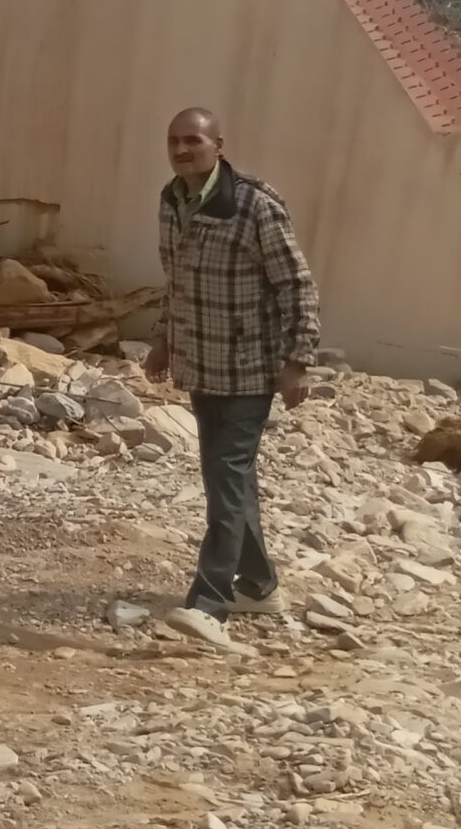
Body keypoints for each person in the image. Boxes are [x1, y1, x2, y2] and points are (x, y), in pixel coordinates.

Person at [144, 106, 319, 622]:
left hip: (249, 370)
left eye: (192, 140)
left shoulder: (252, 206)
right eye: (173, 141)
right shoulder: (171, 200)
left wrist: (298, 360)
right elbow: (176, 281)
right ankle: (260, 587)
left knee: (226, 478)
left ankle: (210, 601)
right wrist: (164, 340)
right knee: (227, 482)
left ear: (218, 144)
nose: (180, 150)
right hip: (202, 366)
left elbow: (297, 283)